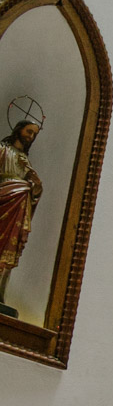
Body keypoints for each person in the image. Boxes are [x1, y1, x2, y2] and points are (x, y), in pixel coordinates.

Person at [0, 119, 42, 309]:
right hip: (3, 200)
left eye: (34, 134)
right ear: (19, 130)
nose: (30, 136)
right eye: (28, 131)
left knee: (9, 249)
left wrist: (35, 185)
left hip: (18, 209)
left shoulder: (26, 161)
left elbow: (35, 192)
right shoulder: (3, 150)